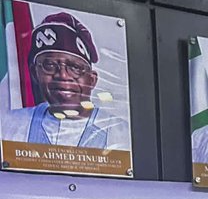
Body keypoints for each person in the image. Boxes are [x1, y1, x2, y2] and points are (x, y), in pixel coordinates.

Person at [2, 11, 130, 150]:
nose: (62, 75)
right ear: (35, 73)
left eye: (75, 67)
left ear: (92, 79)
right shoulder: (11, 125)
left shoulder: (120, 133)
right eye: (49, 65)